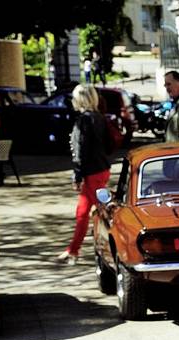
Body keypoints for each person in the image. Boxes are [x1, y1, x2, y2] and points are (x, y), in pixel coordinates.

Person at [58, 83, 112, 264]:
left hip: (91, 172)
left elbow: (80, 149)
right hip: (102, 168)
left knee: (94, 213)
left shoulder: (84, 120)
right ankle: (74, 249)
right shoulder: (99, 117)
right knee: (93, 211)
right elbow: (108, 145)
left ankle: (77, 250)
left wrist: (77, 175)